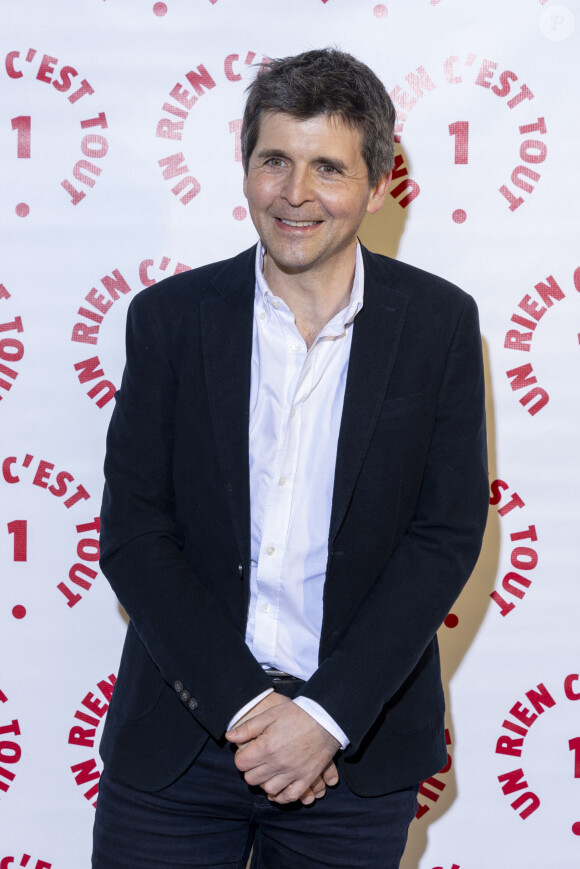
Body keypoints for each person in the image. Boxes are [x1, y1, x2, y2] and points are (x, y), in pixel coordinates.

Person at [92, 48, 488, 869]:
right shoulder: (170, 320)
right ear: (245, 169)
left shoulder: (441, 326)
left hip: (354, 744)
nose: (295, 194)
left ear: (377, 187)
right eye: (275, 160)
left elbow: (444, 534)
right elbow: (135, 531)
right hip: (180, 732)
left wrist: (324, 719)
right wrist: (247, 709)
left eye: (327, 168)